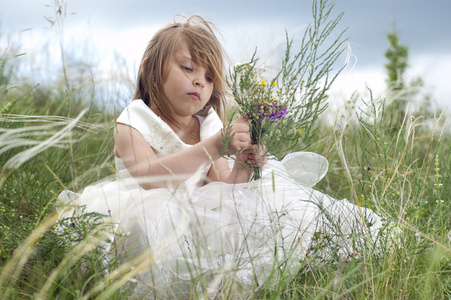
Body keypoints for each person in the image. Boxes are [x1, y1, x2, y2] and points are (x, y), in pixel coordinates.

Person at [59, 15, 392, 298]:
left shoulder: (208, 124)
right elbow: (149, 178)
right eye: (187, 67)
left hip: (203, 214)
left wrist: (243, 167)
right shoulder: (133, 120)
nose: (199, 82)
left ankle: (353, 252)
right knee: (152, 227)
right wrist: (215, 146)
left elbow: (223, 182)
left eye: (208, 78)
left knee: (281, 205)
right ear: (148, 69)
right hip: (149, 215)